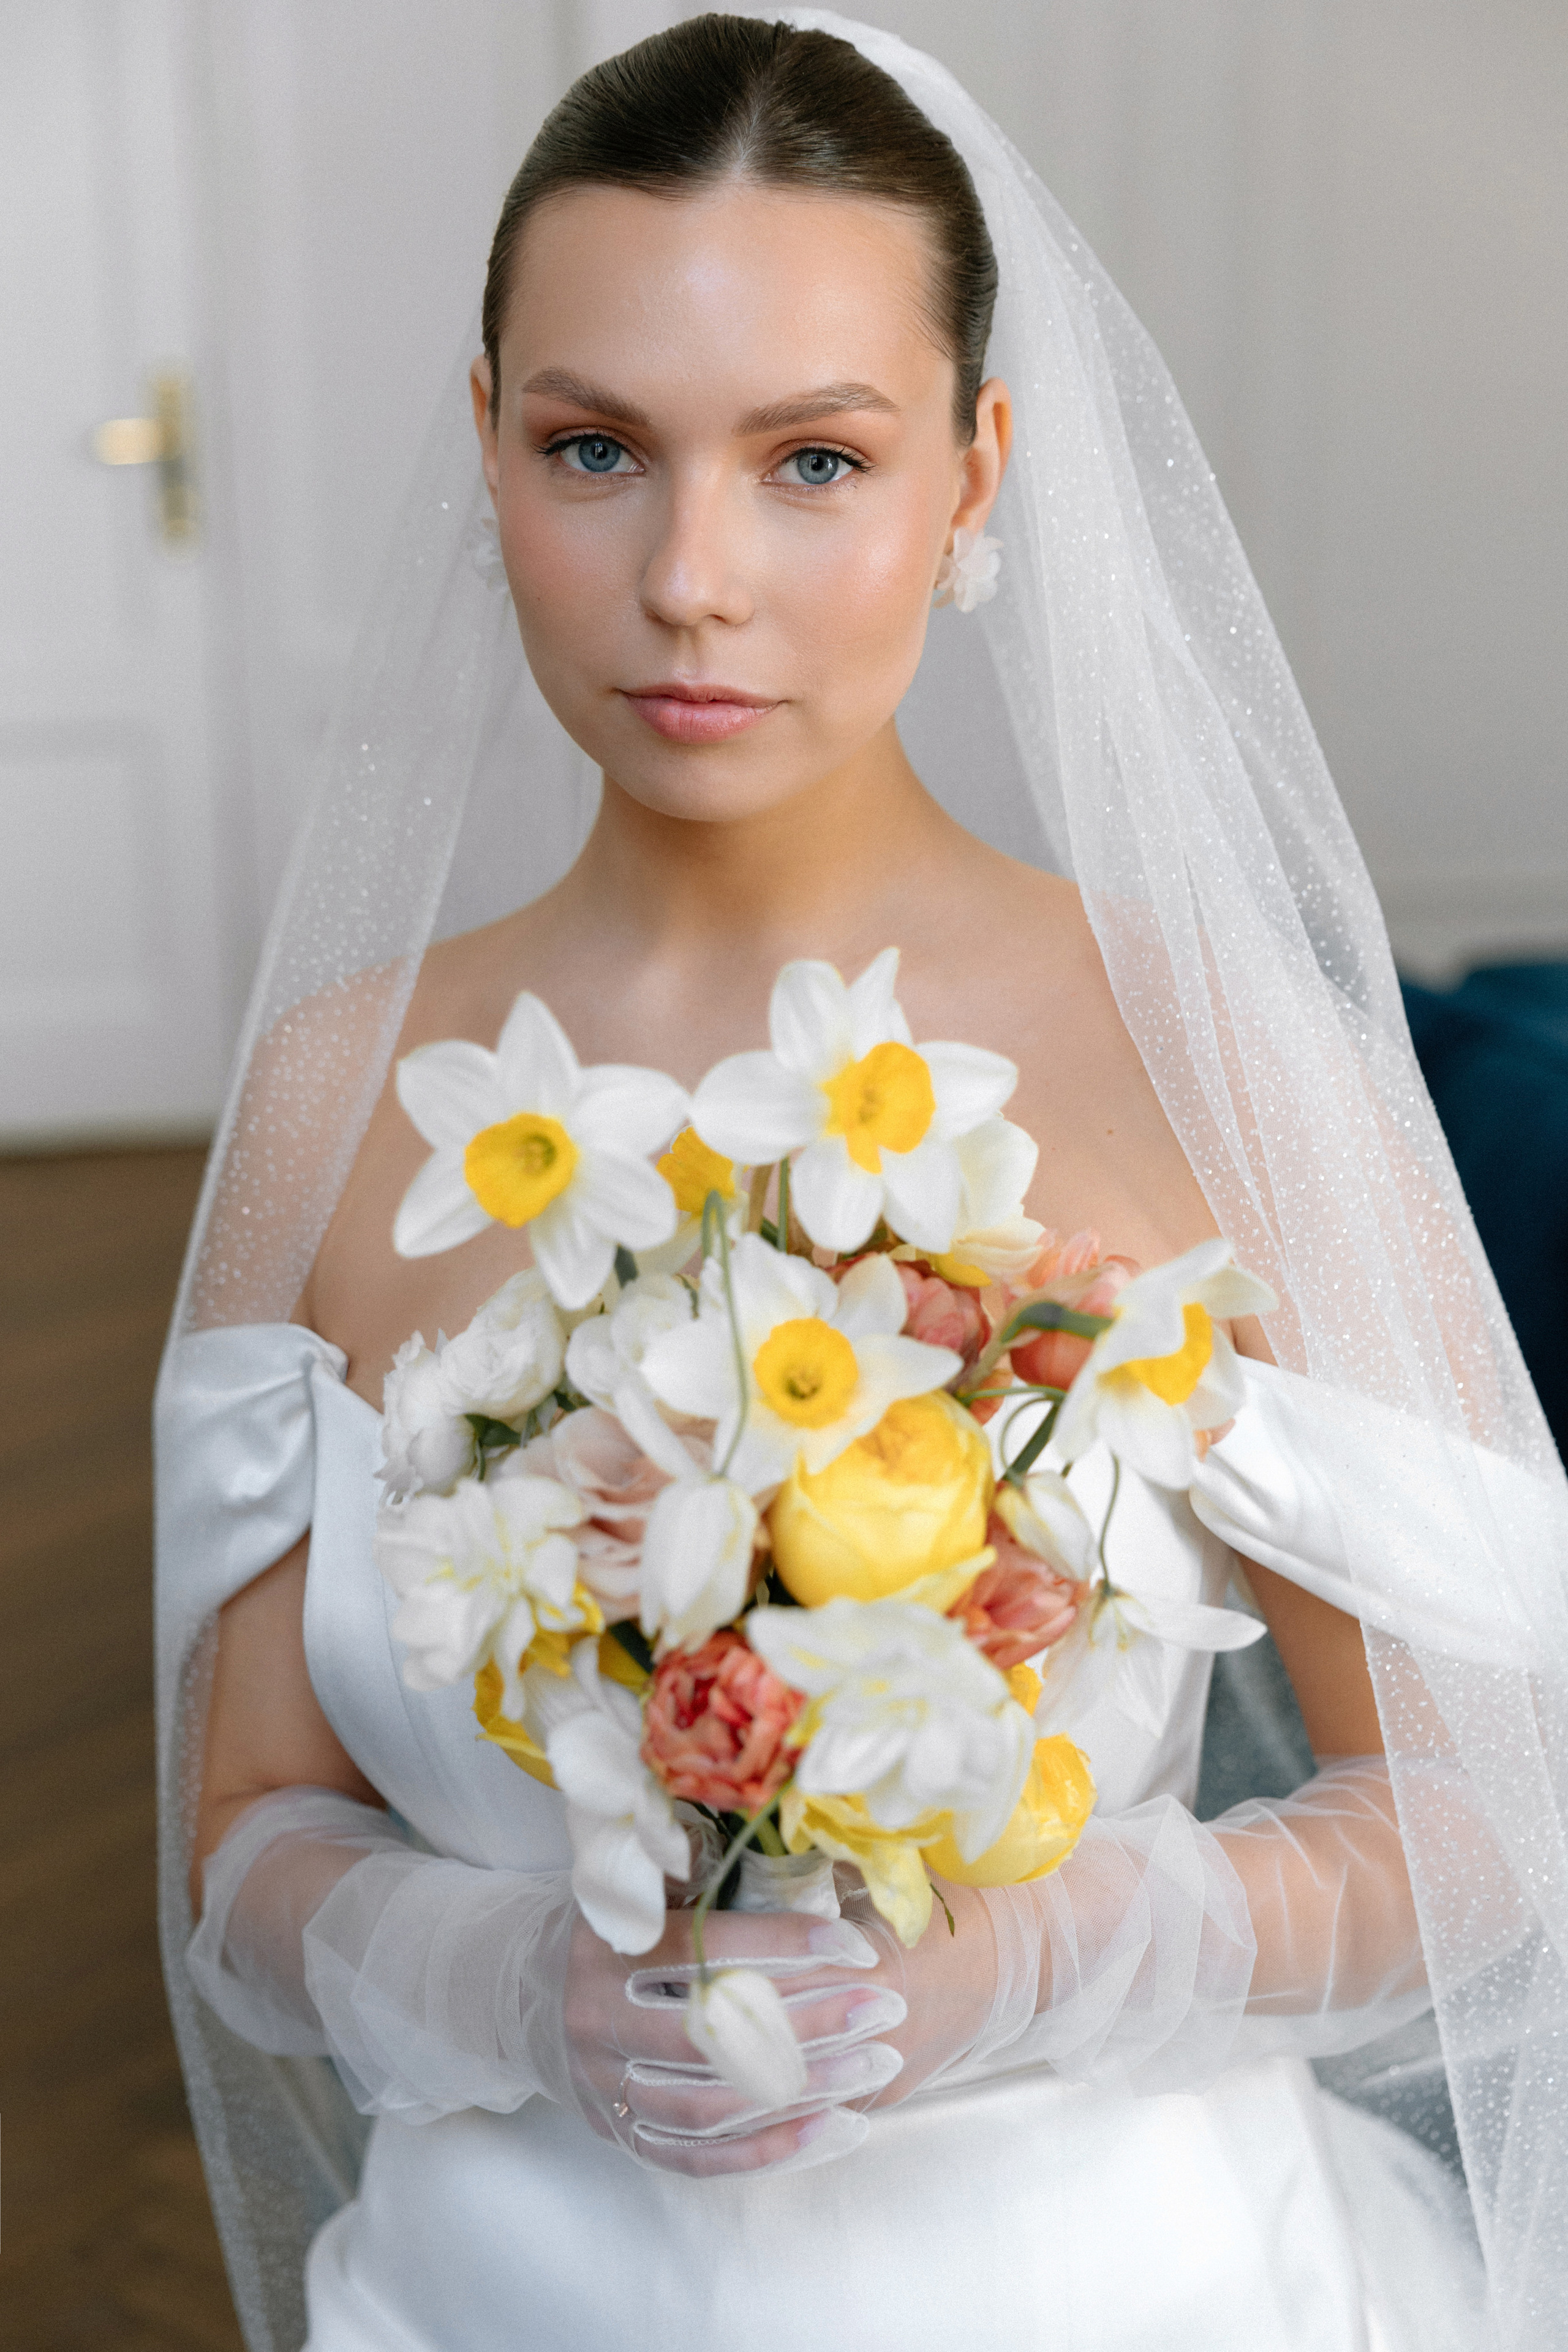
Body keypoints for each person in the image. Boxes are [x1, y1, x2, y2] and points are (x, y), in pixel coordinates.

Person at [156, 16, 1568, 2351]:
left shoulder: (1217, 1059)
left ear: (978, 476)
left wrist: (1041, 1960)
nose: (690, 579)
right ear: (485, 444)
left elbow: (1486, 1808)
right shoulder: (335, 1094)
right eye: (593, 446)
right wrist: (516, 1984)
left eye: (813, 459)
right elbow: (245, 1844)